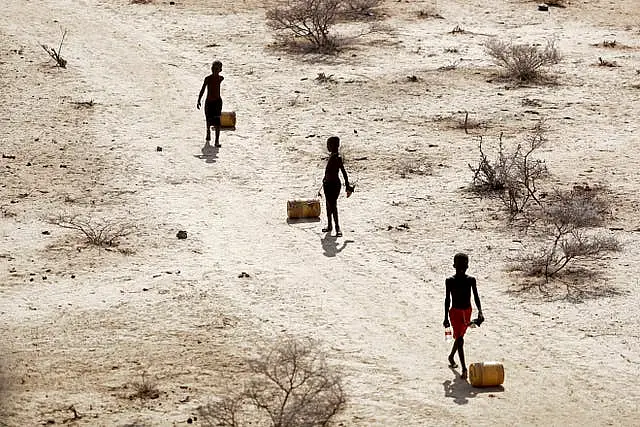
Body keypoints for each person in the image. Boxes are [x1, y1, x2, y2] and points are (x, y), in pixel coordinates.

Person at [443, 253, 484, 380]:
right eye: (459, 265)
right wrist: (445, 318)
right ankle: (464, 368)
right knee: (460, 339)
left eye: (464, 265)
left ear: (467, 266)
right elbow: (447, 299)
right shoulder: (450, 281)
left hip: (467, 311)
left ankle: (451, 356)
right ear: (454, 265)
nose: (461, 268)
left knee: (460, 337)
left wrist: (480, 311)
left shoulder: (471, 280)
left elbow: (476, 296)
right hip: (455, 312)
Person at [320, 136, 354, 237]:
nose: (327, 147)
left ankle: (337, 228)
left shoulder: (337, 158)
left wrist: (348, 186)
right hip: (327, 184)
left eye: (328, 145)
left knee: (333, 205)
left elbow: (344, 173)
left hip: (334, 185)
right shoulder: (332, 156)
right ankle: (330, 225)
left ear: (333, 146)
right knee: (328, 205)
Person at [197, 60, 224, 147]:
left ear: (220, 70)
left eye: (217, 69)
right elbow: (203, 89)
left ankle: (216, 141)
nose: (214, 70)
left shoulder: (220, 78)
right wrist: (199, 99)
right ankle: (208, 131)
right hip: (209, 102)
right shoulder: (208, 79)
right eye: (213, 68)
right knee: (208, 119)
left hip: (217, 102)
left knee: (217, 122)